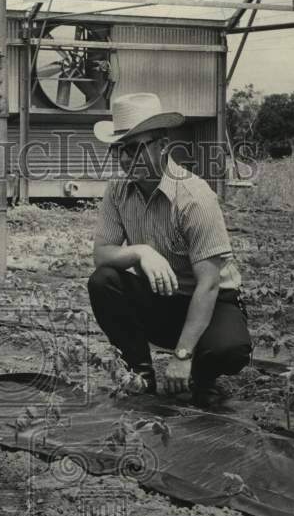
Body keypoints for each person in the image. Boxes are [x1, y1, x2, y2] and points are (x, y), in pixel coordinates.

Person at [87, 92, 252, 408]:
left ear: (163, 147)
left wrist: (181, 355)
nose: (124, 159)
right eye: (118, 149)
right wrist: (140, 253)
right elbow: (102, 254)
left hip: (213, 301)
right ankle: (141, 374)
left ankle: (203, 376)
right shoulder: (118, 190)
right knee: (103, 280)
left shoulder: (194, 197)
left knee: (227, 350)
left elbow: (210, 284)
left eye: (134, 148)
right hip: (165, 297)